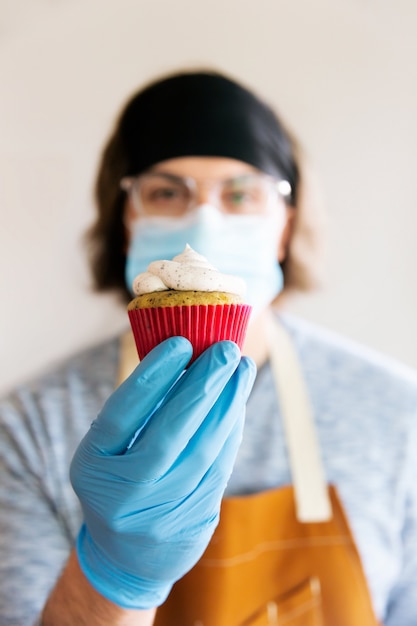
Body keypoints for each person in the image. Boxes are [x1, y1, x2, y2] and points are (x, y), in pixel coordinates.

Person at [0, 69, 416, 626]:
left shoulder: (395, 414)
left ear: (285, 227)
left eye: (242, 193)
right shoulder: (33, 426)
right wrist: (114, 574)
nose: (205, 220)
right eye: (166, 192)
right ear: (126, 221)